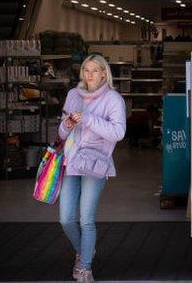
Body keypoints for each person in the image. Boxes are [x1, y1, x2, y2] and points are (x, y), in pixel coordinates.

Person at [58, 54, 127, 283]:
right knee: (66, 218)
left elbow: (118, 133)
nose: (89, 76)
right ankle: (85, 250)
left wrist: (88, 120)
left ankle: (85, 266)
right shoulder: (72, 95)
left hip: (96, 164)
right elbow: (61, 133)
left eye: (95, 71)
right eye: (86, 71)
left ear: (104, 73)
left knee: (86, 220)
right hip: (72, 162)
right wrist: (66, 125)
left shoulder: (113, 99)